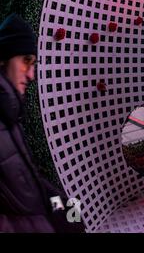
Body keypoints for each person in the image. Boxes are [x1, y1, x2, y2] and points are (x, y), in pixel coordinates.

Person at [0, 14, 83, 233]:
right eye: (26, 61)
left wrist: (64, 209)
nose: (31, 74)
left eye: (34, 64)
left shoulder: (9, 114)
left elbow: (29, 181)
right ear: (3, 59)